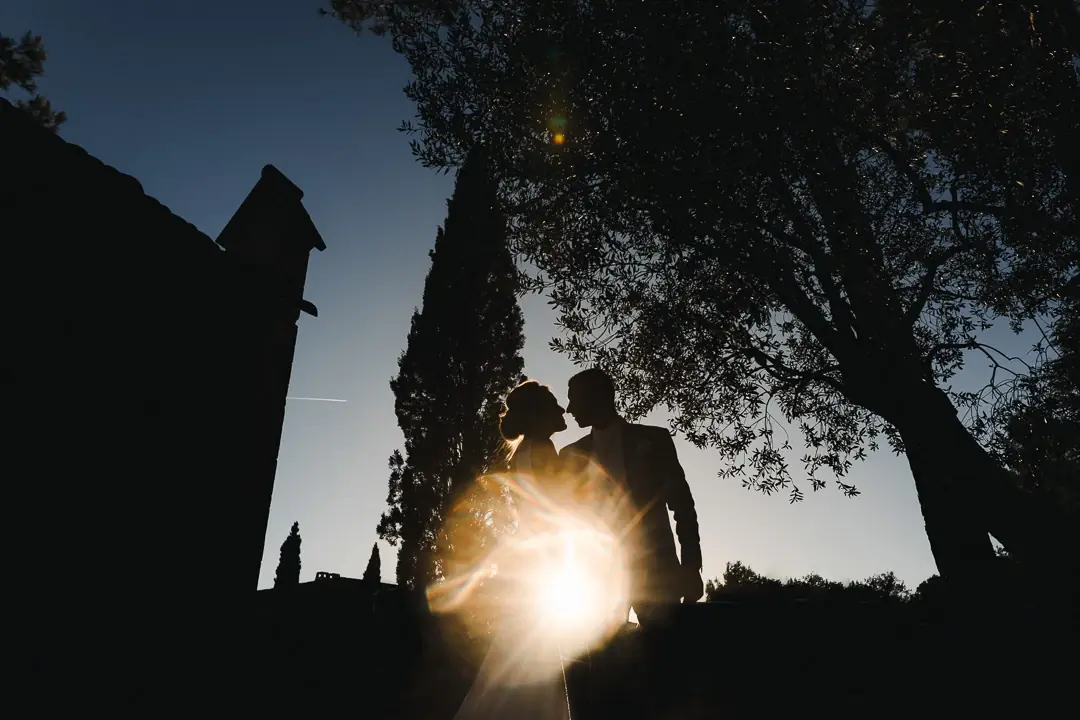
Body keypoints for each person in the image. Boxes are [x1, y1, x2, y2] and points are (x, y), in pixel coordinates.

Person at [453, 380, 574, 720]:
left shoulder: (527, 452)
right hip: (540, 564)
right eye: (553, 404)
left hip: (530, 565)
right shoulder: (542, 449)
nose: (562, 410)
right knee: (532, 663)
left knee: (519, 662)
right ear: (538, 414)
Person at [560, 368, 704, 629]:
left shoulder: (654, 439)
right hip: (598, 580)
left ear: (599, 397)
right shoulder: (570, 455)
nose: (569, 409)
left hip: (657, 572)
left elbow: (682, 504)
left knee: (665, 651)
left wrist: (691, 566)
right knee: (605, 661)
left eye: (575, 399)